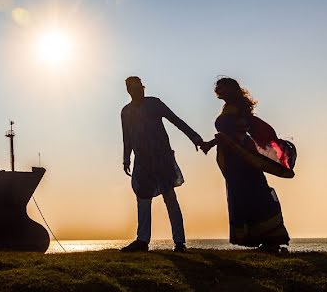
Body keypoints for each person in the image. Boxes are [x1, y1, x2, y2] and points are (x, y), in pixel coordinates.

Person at [200, 77, 290, 253]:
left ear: (231, 89)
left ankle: (270, 239)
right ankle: (262, 239)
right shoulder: (232, 108)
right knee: (245, 194)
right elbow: (228, 135)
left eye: (222, 87)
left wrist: (210, 143)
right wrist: (213, 143)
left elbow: (231, 134)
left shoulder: (236, 109)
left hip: (242, 157)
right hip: (235, 157)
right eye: (218, 88)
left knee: (252, 193)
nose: (218, 90)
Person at [120, 75, 206, 252]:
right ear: (129, 91)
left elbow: (176, 120)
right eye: (134, 88)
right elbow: (126, 137)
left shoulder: (154, 104)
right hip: (142, 160)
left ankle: (179, 242)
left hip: (161, 157)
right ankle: (142, 240)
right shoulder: (126, 111)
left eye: (140, 88)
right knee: (143, 198)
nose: (139, 91)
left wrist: (195, 137)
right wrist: (126, 157)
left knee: (170, 197)